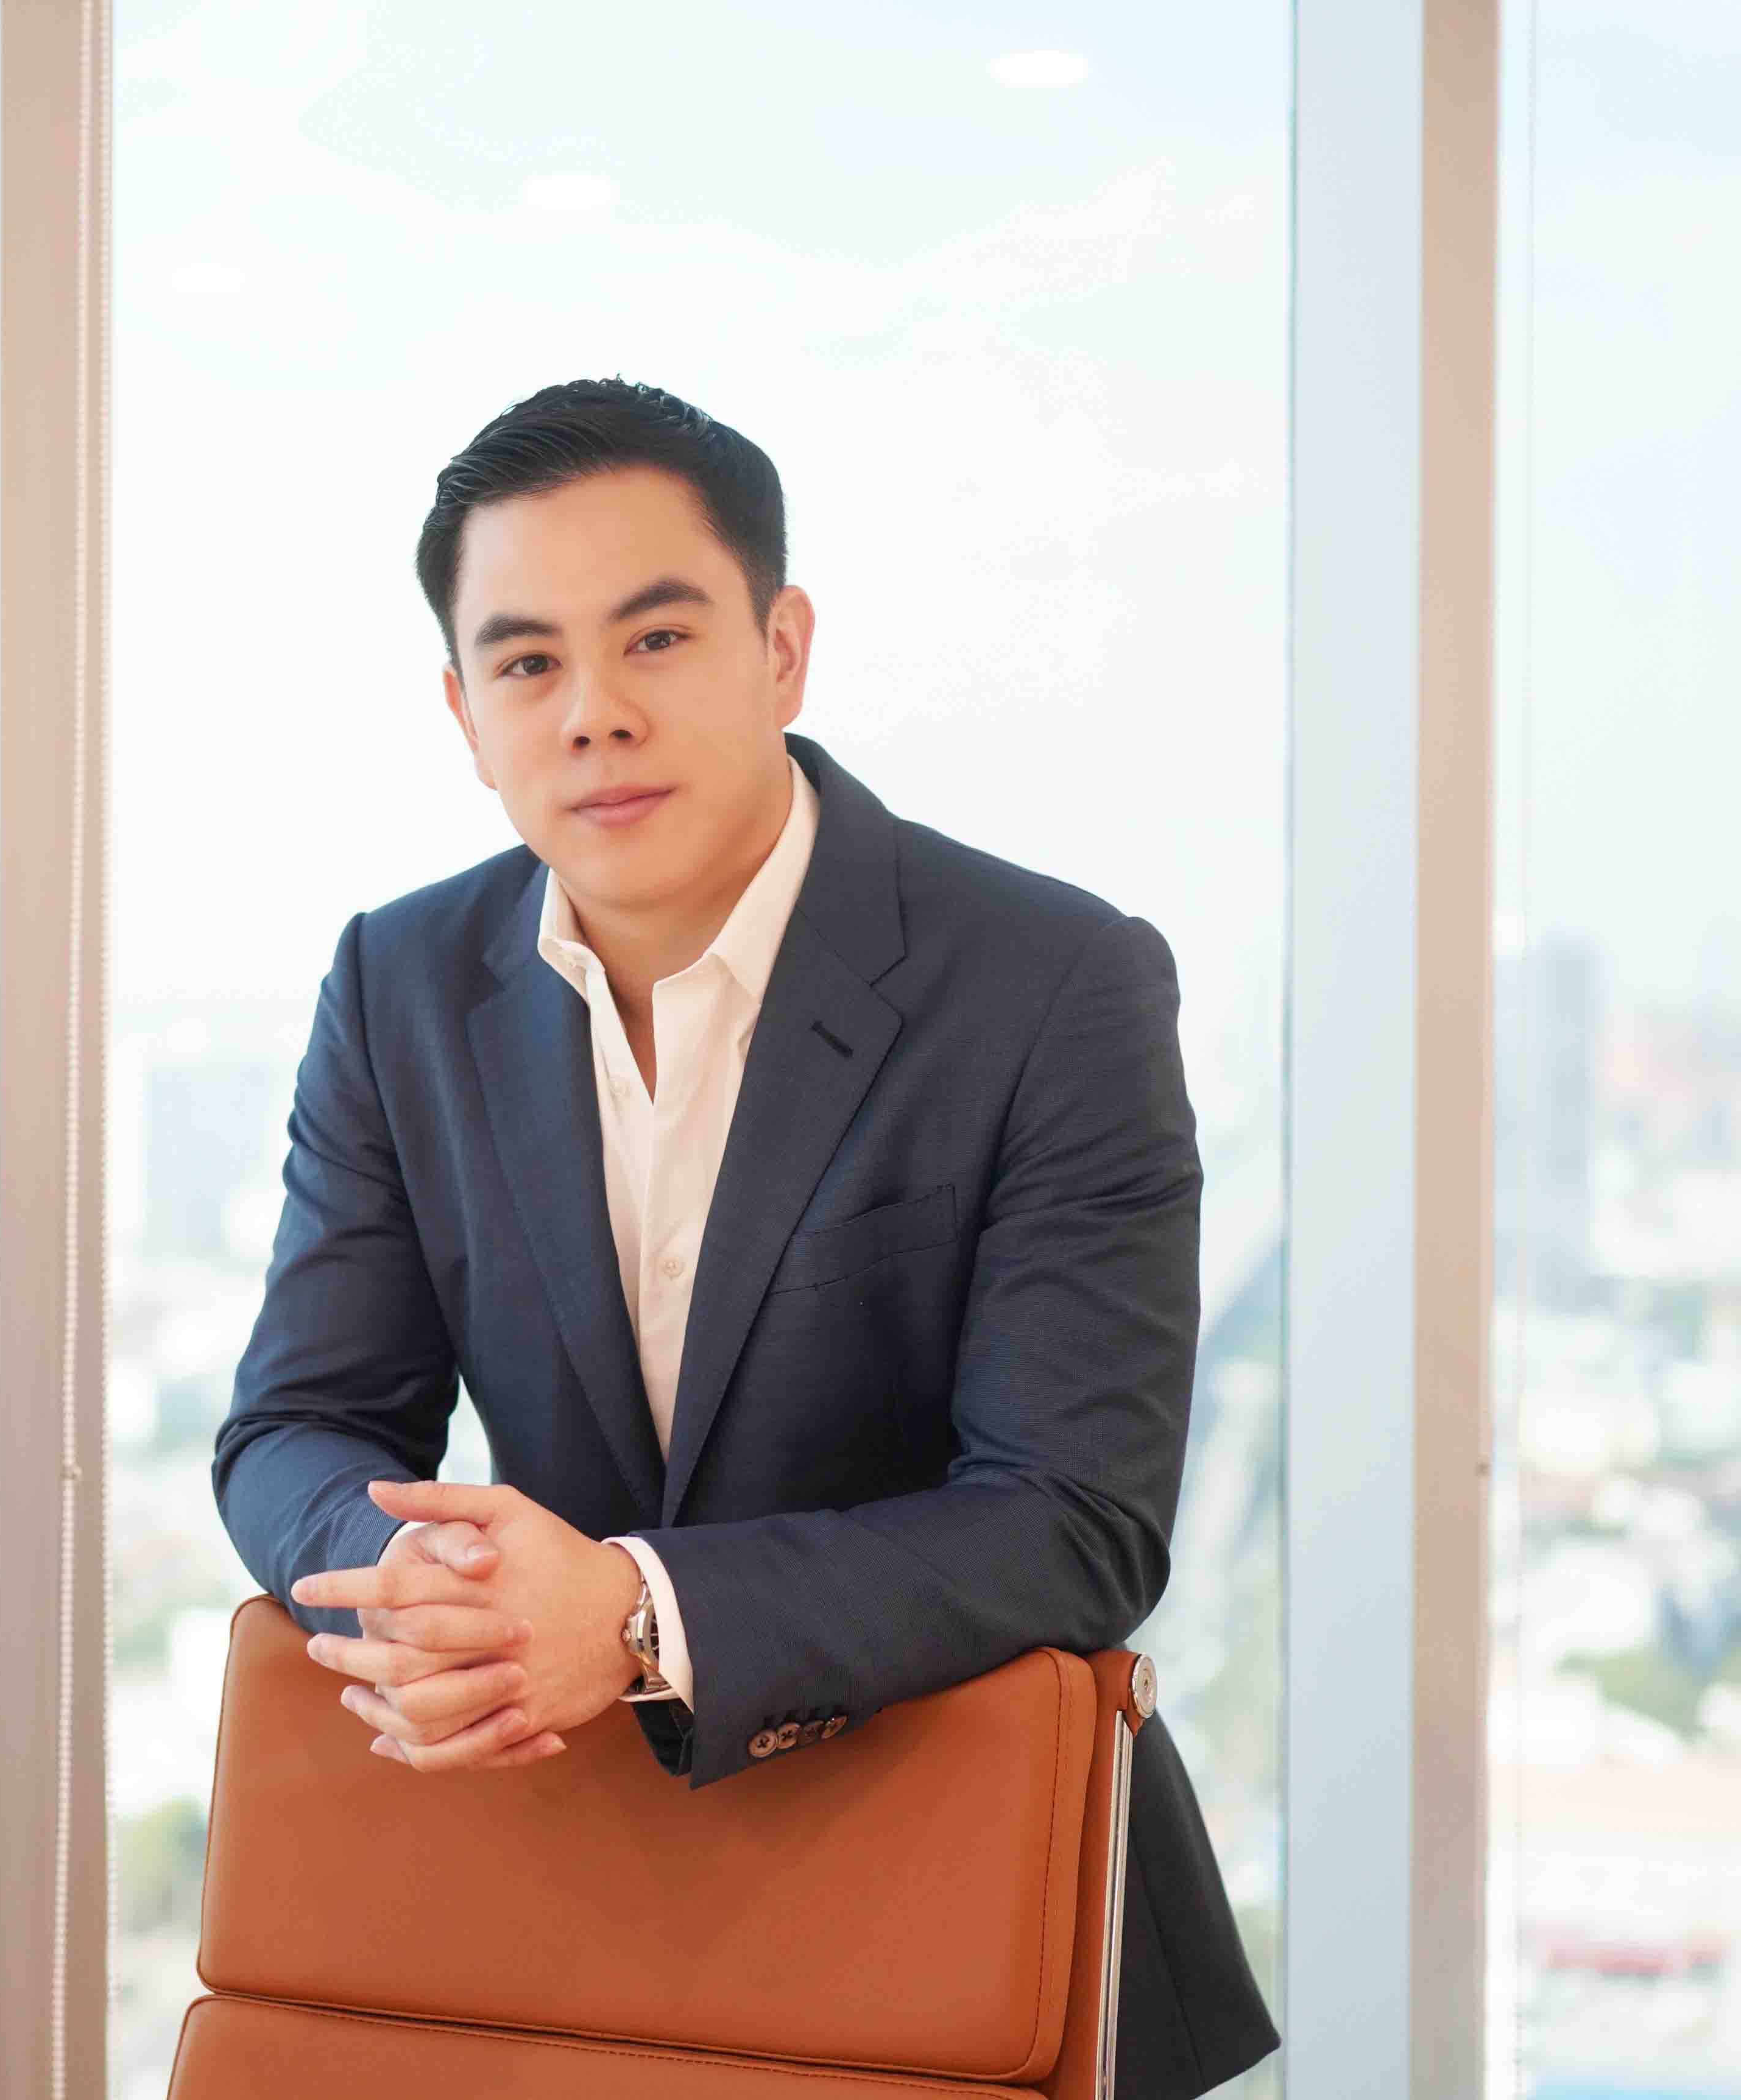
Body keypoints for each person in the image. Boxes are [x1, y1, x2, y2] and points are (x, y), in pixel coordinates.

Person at [210, 376, 1278, 2099]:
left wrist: (639, 1614)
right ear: (465, 714)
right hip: (569, 1913)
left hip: (974, 1913)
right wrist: (411, 1581)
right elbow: (296, 1427)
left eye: (657, 639)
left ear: (782, 650)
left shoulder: (1052, 983)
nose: (595, 717)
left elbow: (1078, 1515)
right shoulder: (397, 984)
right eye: (528, 664)